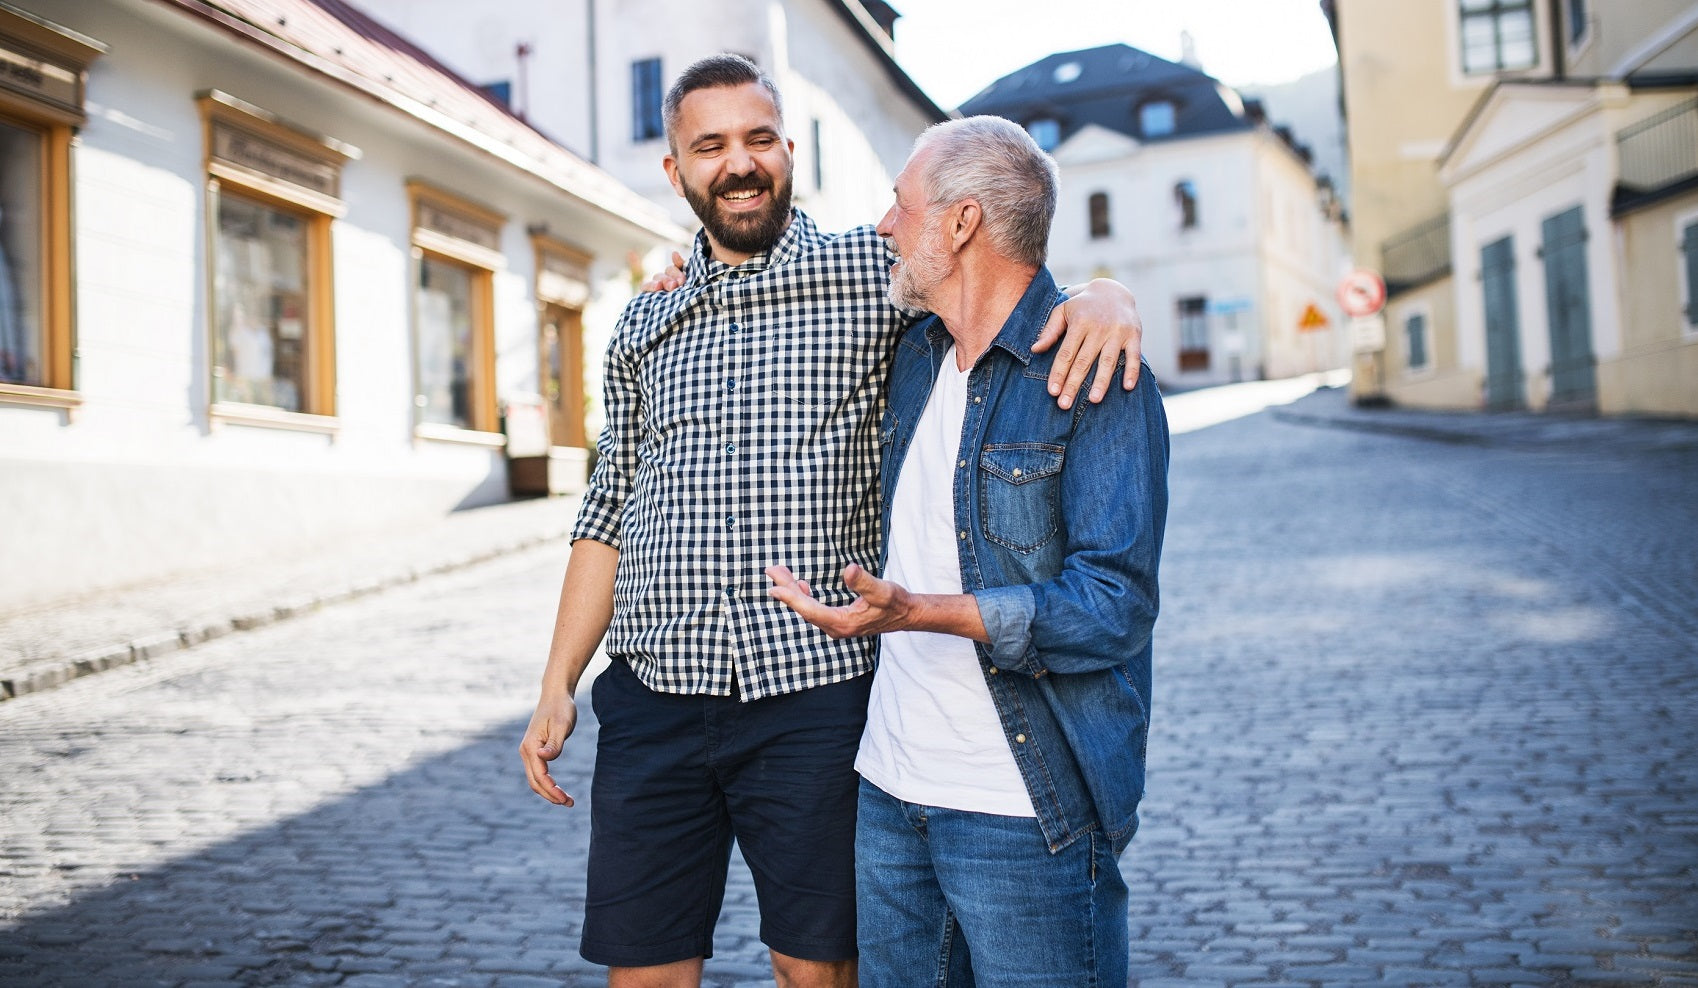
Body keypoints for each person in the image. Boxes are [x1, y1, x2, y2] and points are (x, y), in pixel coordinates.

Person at [517, 54, 1144, 988]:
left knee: (816, 971)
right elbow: (607, 508)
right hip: (654, 695)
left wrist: (1105, 291)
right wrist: (558, 679)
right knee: (642, 971)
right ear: (677, 169)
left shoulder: (869, 276)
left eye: (759, 139)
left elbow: (995, 280)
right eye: (712, 146)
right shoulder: (642, 325)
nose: (739, 163)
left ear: (787, 150)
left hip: (811, 698)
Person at [766, 115, 1169, 987]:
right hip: (890, 794)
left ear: (960, 224)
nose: (882, 227)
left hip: (1026, 808)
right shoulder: (912, 352)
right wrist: (684, 274)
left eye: (899, 206)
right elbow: (778, 274)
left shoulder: (1093, 375)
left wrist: (921, 614)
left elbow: (1116, 607)